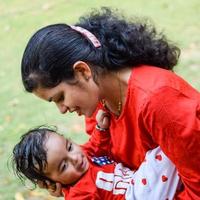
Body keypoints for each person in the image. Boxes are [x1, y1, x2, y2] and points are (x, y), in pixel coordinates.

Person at [21, 7, 200, 199]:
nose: (62, 109)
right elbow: (103, 160)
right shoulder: (99, 103)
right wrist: (70, 184)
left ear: (82, 71)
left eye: (60, 97)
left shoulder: (158, 100)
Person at [12, 111, 180, 200]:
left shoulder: (83, 154)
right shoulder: (79, 194)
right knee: (162, 153)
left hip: (142, 184)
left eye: (70, 147)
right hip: (135, 195)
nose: (75, 158)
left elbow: (95, 145)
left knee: (162, 155)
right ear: (51, 182)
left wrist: (101, 128)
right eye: (64, 166)